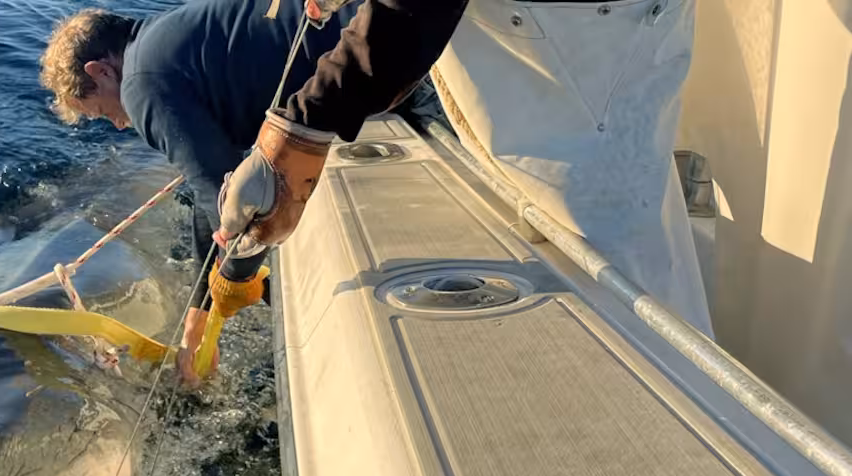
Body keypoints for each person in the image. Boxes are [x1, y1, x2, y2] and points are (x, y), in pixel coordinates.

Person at [217, 0, 714, 339]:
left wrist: (305, 126)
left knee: (614, 265)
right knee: (632, 236)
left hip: (586, 52)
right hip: (587, 44)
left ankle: (688, 431)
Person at [39, 0, 360, 384]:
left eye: (102, 111)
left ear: (101, 70)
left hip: (376, 48)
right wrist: (201, 309)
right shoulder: (167, 42)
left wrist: (239, 281)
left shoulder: (141, 86)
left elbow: (235, 205)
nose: (119, 125)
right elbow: (211, 189)